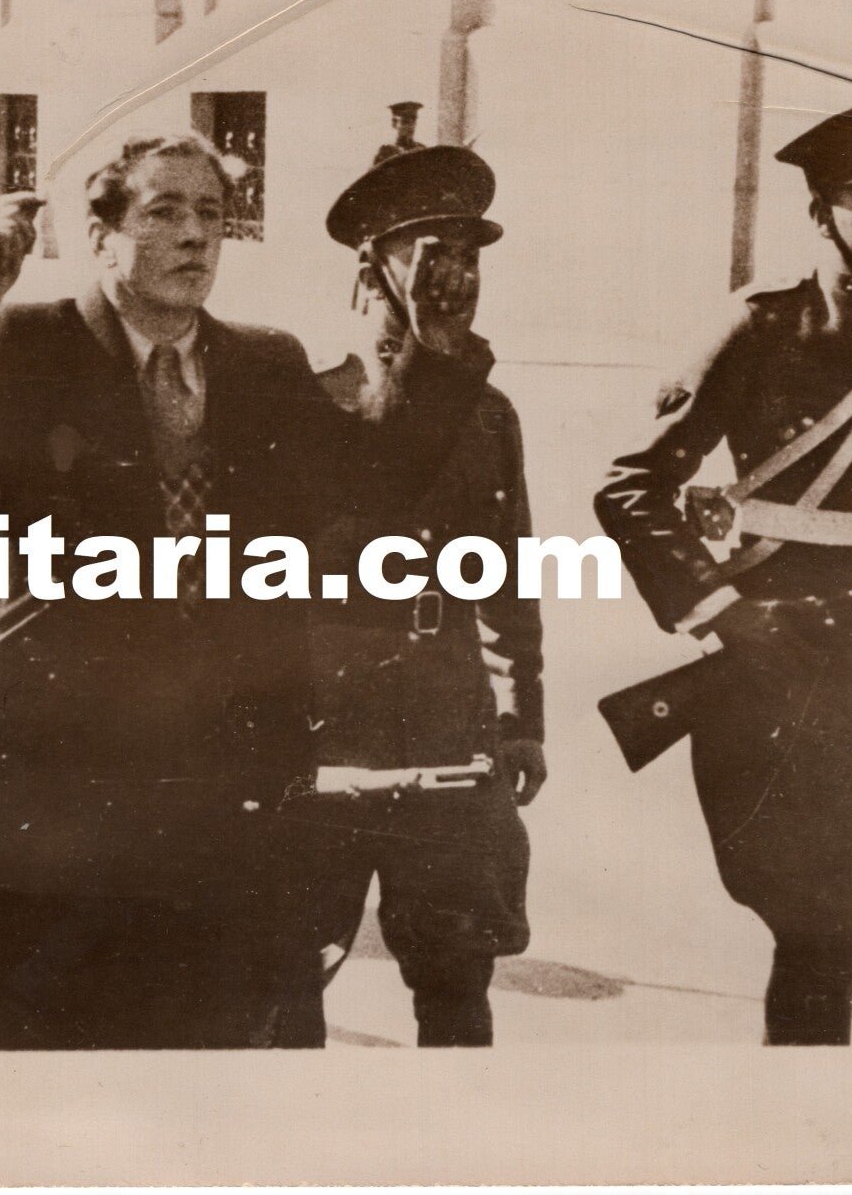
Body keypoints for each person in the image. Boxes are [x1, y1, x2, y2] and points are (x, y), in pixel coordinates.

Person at [0, 131, 494, 1050]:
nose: (195, 237)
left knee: (207, 1037)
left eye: (211, 214)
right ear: (101, 237)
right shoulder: (31, 341)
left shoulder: (263, 362)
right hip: (59, 778)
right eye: (164, 212)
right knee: (44, 1040)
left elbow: (367, 491)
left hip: (217, 774)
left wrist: (437, 348)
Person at [595, 94, 852, 1046]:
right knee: (818, 913)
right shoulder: (762, 328)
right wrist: (721, 605)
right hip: (784, 656)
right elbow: (630, 486)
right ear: (821, 212)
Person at [294, 146, 543, 1047]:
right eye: (430, 254)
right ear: (373, 269)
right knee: (287, 972)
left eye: (469, 257)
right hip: (329, 717)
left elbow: (508, 575)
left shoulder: (489, 411)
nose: (456, 278)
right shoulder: (313, 397)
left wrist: (521, 712)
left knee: (454, 979)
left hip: (447, 717)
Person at [373, 100, 424, 165]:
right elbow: (373, 174)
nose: (411, 126)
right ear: (394, 123)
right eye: (405, 122)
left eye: (413, 120)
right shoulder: (386, 152)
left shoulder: (421, 151)